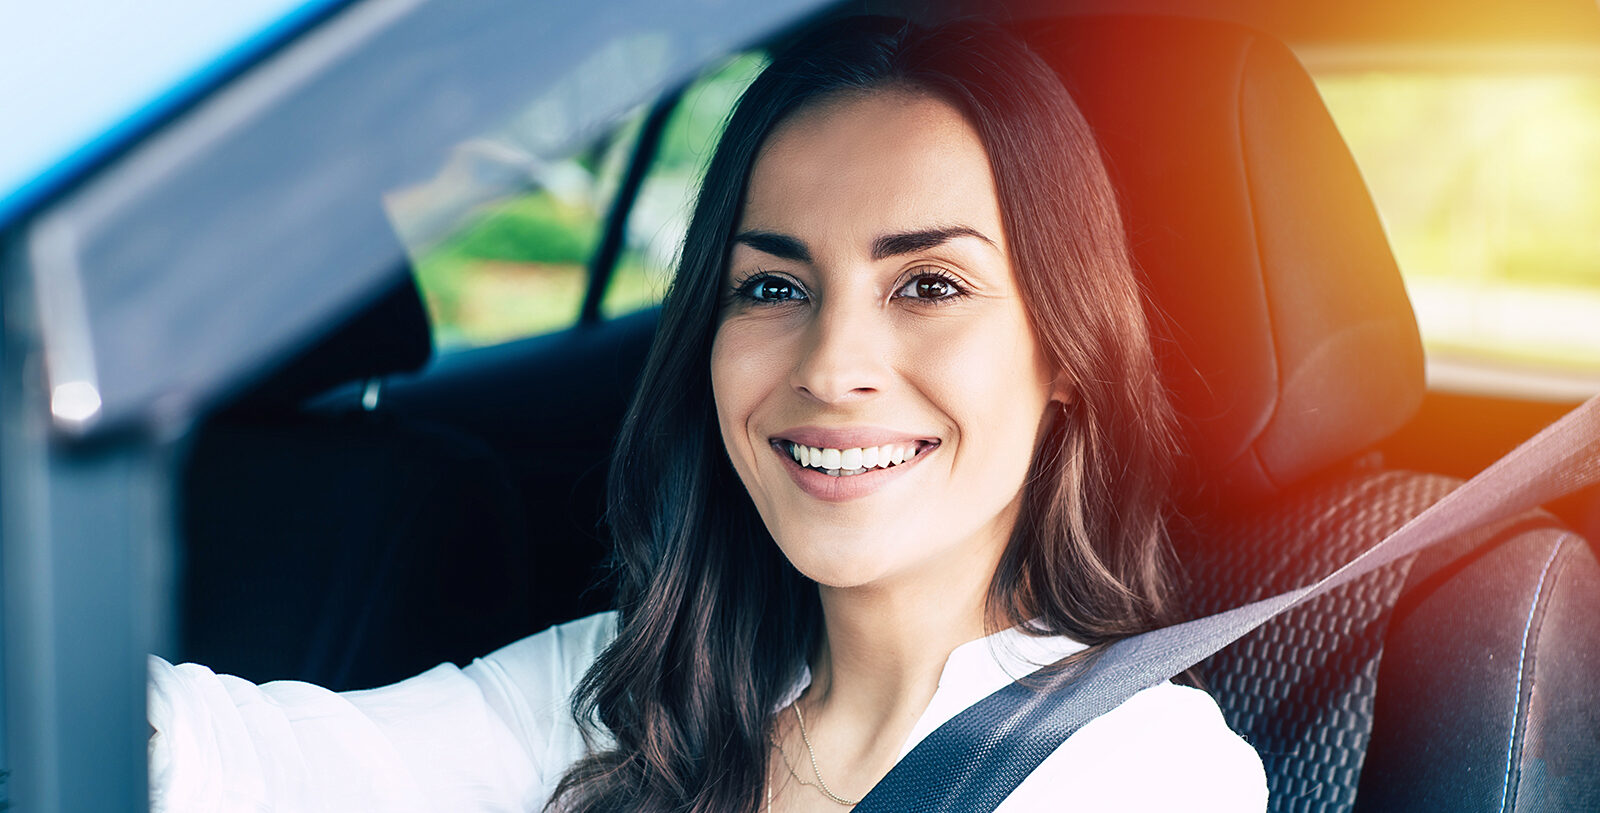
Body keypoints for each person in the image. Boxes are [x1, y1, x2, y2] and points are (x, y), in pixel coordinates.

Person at [148, 15, 1267, 813]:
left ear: (1065, 352)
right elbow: (257, 766)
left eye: (927, 285)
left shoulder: (1143, 775)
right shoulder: (642, 688)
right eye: (772, 287)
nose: (832, 366)